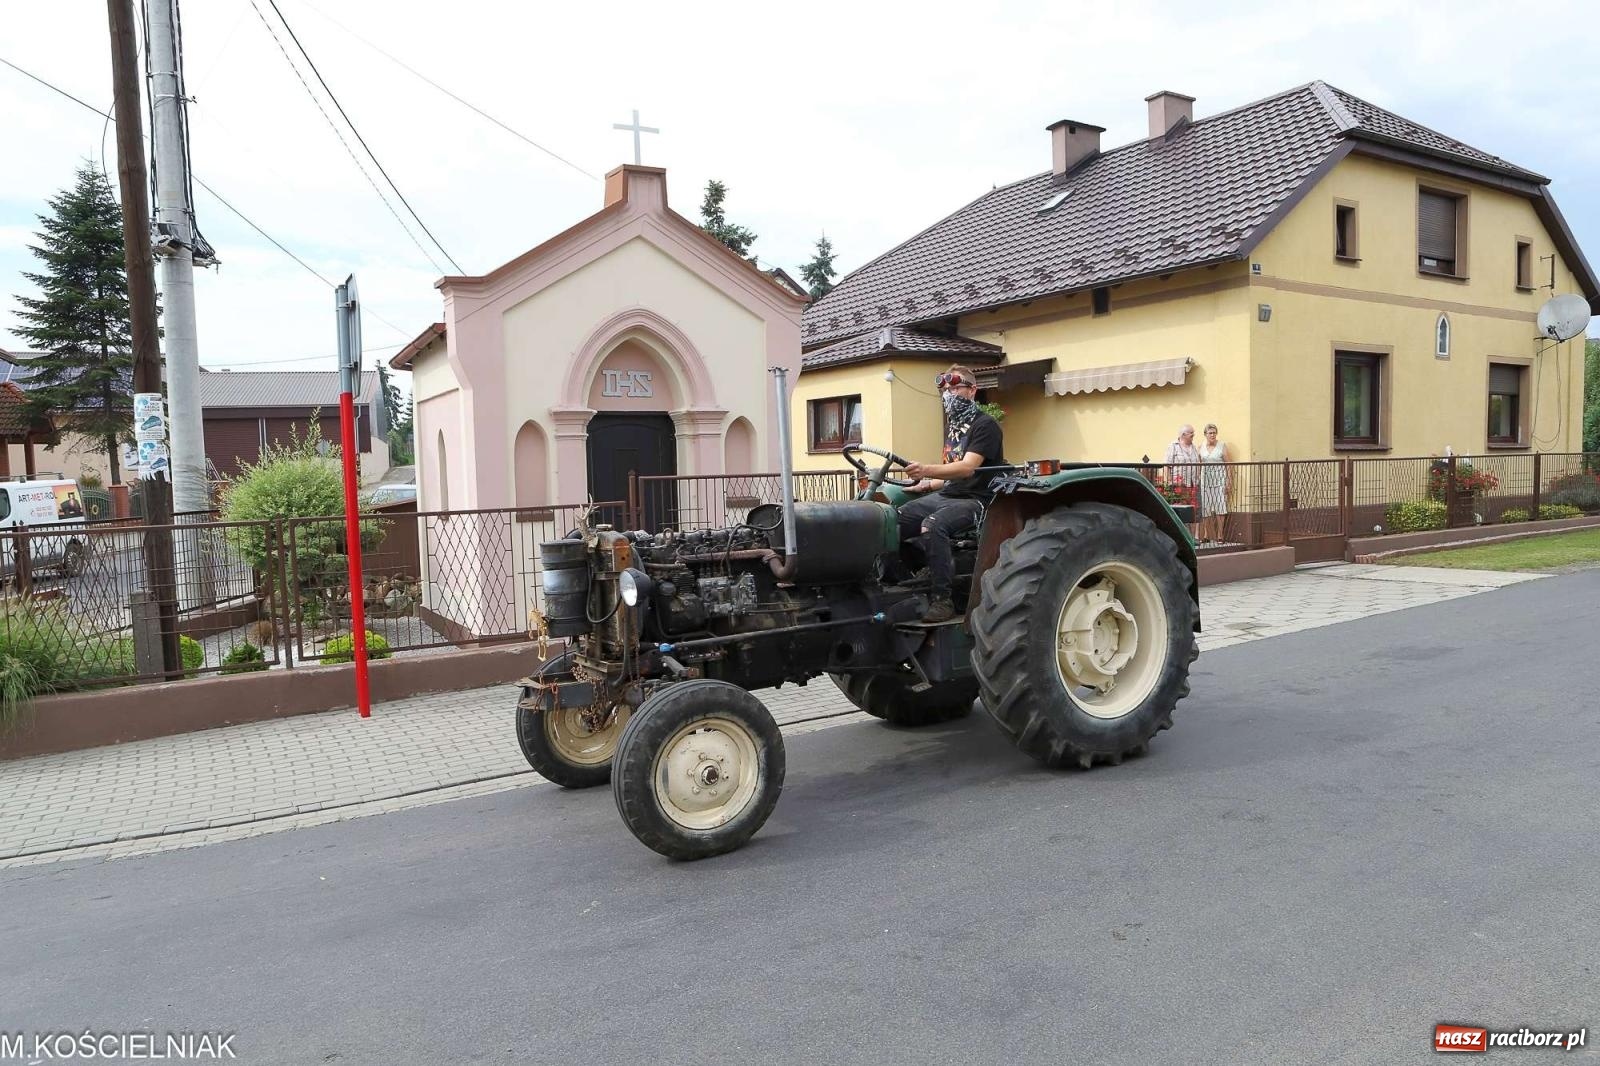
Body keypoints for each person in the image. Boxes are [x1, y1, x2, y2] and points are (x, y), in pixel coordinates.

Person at [899, 365, 1006, 623]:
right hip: (949, 494)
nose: (949, 394)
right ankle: (902, 583)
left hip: (978, 500)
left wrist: (925, 469)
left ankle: (942, 600)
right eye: (945, 390)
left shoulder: (985, 425)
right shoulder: (954, 426)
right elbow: (952, 474)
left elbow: (967, 468)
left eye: (955, 388)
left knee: (933, 525)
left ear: (972, 390)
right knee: (894, 519)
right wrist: (928, 484)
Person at [1197, 423, 1230, 545]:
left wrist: (1229, 481)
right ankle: (1206, 534)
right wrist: (1197, 479)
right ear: (1205, 434)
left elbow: (1228, 465)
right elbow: (1198, 464)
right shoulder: (1201, 447)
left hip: (1220, 480)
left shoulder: (1222, 446)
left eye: (1214, 432)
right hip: (1205, 481)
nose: (1212, 435)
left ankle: (1220, 535)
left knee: (1220, 507)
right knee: (1205, 508)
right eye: (1210, 433)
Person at [1163, 425, 1200, 529]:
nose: (1194, 434)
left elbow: (1198, 463)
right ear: (1183, 434)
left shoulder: (1193, 447)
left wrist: (1197, 478)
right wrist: (1169, 482)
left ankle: (1193, 537)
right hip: (1178, 485)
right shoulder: (1173, 446)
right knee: (1181, 510)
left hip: (1192, 484)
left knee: (1193, 510)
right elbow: (1167, 465)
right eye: (1191, 433)